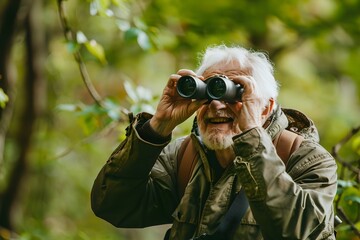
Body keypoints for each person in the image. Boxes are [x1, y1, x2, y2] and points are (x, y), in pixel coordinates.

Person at [91, 44, 337, 239]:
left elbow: (297, 231)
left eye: (234, 93)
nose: (217, 104)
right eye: (208, 91)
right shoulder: (183, 156)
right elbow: (113, 205)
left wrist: (250, 134)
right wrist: (156, 129)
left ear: (266, 107)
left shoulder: (306, 160)